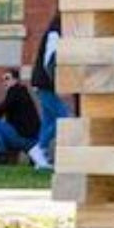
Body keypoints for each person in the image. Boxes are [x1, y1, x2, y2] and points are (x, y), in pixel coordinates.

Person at [0, 68, 51, 169]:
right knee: (4, 127)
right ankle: (21, 158)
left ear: (16, 80)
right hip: (32, 140)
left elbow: (1, 108)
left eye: (7, 78)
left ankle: (2, 158)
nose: (4, 82)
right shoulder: (22, 92)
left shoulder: (15, 91)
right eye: (3, 80)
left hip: (25, 139)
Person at [30, 11, 70, 165]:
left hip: (42, 84)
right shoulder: (54, 33)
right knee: (63, 117)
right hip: (44, 84)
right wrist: (55, 80)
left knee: (48, 121)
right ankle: (39, 148)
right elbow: (50, 60)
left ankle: (41, 159)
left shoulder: (53, 32)